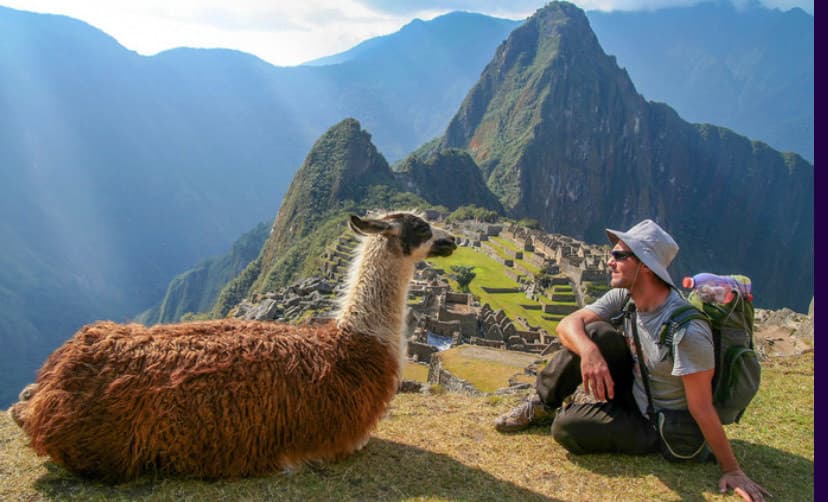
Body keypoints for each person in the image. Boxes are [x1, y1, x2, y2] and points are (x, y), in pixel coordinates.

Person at [494, 219, 769, 502]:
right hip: (635, 390)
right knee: (593, 333)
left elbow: (701, 408)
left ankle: (595, 421)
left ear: (646, 265)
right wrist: (590, 352)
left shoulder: (687, 331)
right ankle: (539, 405)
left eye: (619, 256)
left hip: (658, 422)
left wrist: (732, 469)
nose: (609, 262)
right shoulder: (625, 297)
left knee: (567, 428)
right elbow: (567, 324)